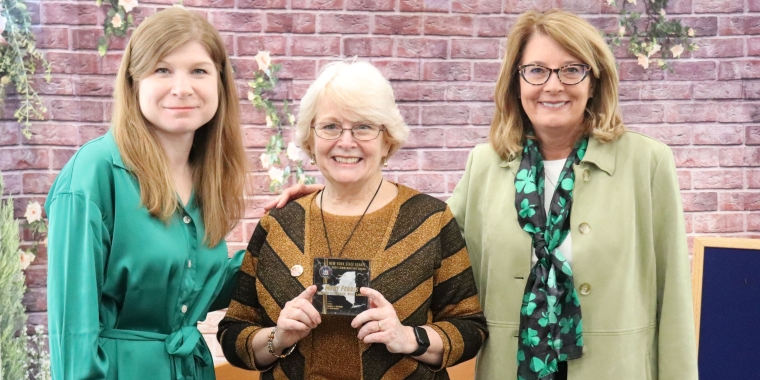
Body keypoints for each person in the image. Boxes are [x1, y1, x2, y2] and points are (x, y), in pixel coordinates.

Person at [265, 9, 698, 380]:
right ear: (517, 81)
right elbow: (424, 243)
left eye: (571, 69)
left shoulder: (647, 163)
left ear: (594, 79)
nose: (553, 85)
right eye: (537, 70)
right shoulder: (486, 164)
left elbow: (674, 297)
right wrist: (338, 196)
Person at [217, 61, 488, 379]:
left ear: (387, 139)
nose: (346, 142)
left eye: (364, 126)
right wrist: (279, 337)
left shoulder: (430, 220)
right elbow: (233, 333)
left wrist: (407, 338)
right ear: (310, 139)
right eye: (330, 126)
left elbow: (470, 328)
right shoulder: (279, 225)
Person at [45, 8, 248, 380]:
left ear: (219, 82)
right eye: (162, 69)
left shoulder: (205, 178)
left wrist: (292, 227)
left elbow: (193, 294)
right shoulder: (93, 173)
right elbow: (72, 334)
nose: (182, 88)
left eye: (199, 70)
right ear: (134, 81)